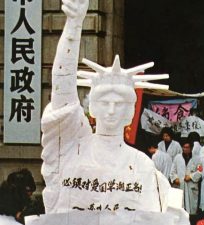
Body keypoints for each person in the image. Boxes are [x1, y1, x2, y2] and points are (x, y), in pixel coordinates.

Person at [40, 0, 187, 222]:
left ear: (130, 113)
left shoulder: (143, 167)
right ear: (92, 108)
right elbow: (62, 89)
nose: (111, 110)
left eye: (119, 104)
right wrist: (74, 25)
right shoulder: (71, 149)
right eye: (104, 102)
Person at [170, 139, 202, 215]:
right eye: (184, 147)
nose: (185, 149)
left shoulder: (197, 158)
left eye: (187, 147)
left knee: (191, 211)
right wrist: (175, 178)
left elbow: (200, 171)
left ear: (191, 148)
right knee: (179, 209)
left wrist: (191, 176)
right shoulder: (177, 157)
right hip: (180, 186)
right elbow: (172, 172)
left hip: (191, 187)